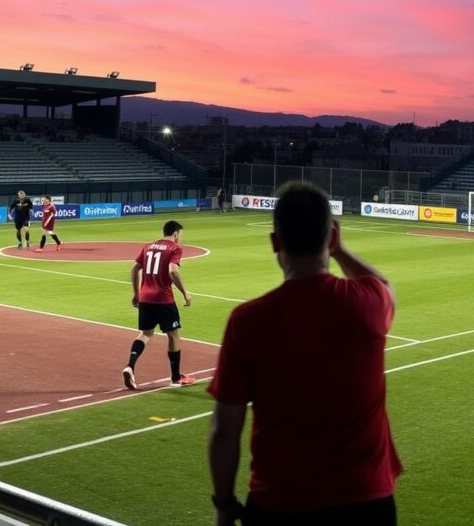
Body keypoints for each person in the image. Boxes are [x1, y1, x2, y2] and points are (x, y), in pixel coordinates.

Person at [208, 181, 402, 526]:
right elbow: (384, 286)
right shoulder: (367, 303)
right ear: (331, 237)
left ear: (275, 243)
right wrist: (340, 251)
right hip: (366, 503)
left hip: (279, 504)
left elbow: (225, 431)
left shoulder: (247, 321)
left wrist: (224, 504)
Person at [122, 220, 195, 390]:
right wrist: (185, 293)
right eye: (180, 235)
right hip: (164, 299)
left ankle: (130, 366)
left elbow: (134, 269)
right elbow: (172, 270)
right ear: (175, 234)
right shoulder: (175, 248)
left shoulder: (149, 246)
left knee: (145, 334)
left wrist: (136, 293)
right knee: (174, 335)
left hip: (145, 298)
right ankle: (176, 377)